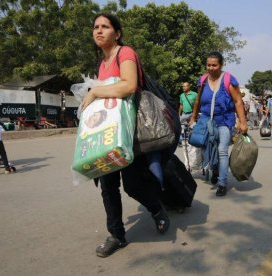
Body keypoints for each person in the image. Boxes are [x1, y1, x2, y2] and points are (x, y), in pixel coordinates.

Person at [80, 13, 170, 258]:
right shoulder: (102, 63)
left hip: (130, 131)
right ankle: (117, 235)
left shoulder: (125, 53)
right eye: (95, 27)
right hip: (108, 132)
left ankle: (156, 209)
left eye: (105, 27)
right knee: (108, 187)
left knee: (132, 184)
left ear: (116, 33)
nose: (99, 31)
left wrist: (96, 91)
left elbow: (129, 85)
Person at [189, 51, 247, 196]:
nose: (211, 68)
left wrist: (242, 122)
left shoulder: (228, 80)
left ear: (221, 65)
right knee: (207, 149)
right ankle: (215, 169)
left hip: (225, 120)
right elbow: (197, 101)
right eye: (208, 65)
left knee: (222, 150)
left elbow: (238, 101)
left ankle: (222, 182)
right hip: (206, 120)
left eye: (214, 65)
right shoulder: (202, 80)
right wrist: (193, 118)